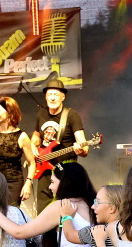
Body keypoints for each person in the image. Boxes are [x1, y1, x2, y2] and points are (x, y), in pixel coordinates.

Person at [30, 79, 89, 215]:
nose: (52, 98)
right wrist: (33, 145)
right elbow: (36, 136)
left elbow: (84, 147)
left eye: (56, 94)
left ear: (63, 97)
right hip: (44, 168)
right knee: (43, 209)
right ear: (45, 97)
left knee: (65, 207)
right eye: (49, 94)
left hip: (64, 171)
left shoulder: (72, 116)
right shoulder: (41, 114)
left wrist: (81, 149)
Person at [0, 97, 36, 205]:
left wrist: (28, 183)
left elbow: (31, 163)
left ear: (9, 112)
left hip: (14, 184)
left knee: (11, 212)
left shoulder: (21, 136)